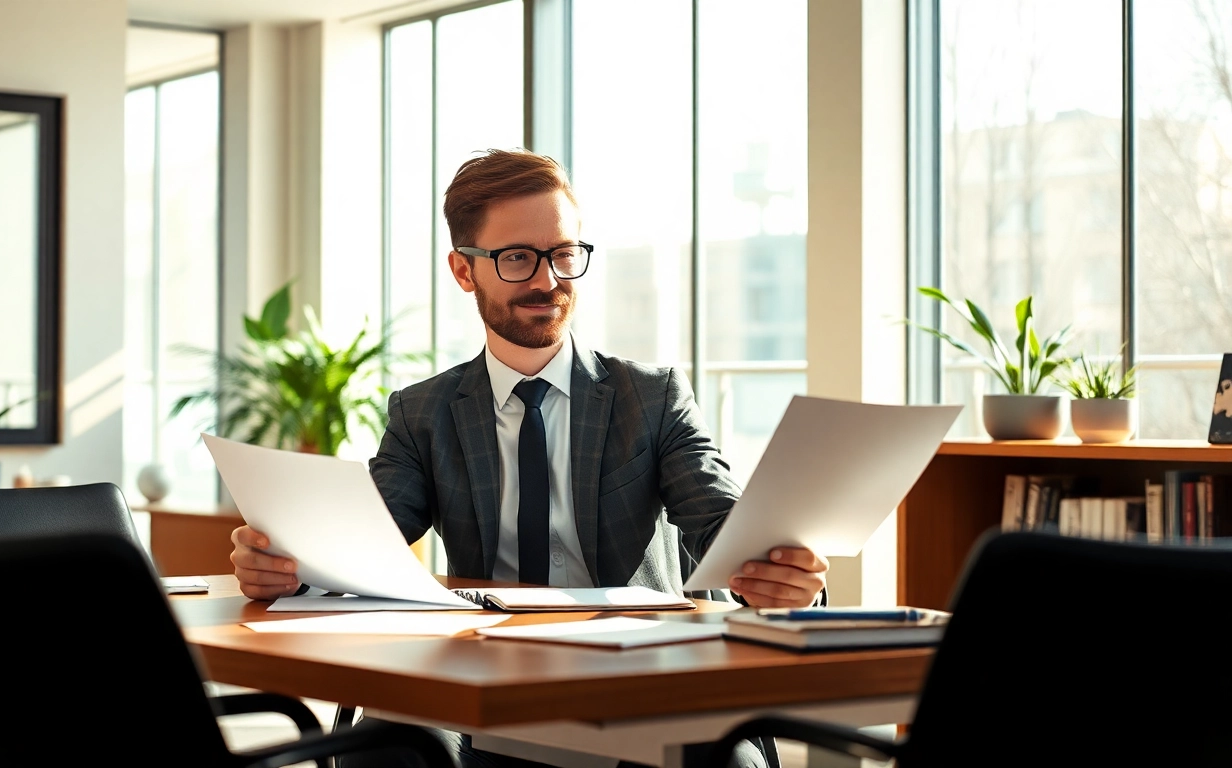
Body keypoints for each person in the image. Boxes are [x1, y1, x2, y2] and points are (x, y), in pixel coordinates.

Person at [229, 148, 829, 767]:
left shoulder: (650, 398)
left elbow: (720, 523)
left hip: (636, 674)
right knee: (389, 750)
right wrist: (288, 567)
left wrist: (779, 573)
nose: (548, 280)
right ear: (464, 271)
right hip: (481, 678)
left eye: (564, 254)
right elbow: (365, 546)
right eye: (517, 258)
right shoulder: (424, 413)